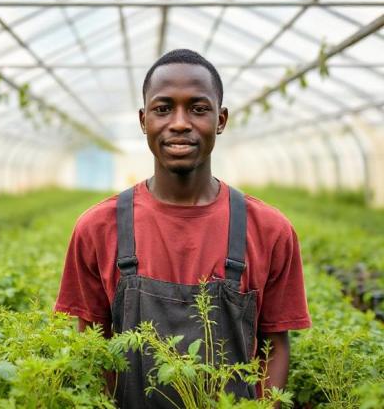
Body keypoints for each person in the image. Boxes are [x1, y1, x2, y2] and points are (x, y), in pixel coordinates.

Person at [54, 48, 311, 408]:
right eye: (163, 109)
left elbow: (275, 343)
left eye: (198, 108)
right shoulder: (98, 227)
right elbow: (92, 344)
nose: (179, 122)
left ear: (220, 120)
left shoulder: (269, 229)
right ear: (144, 120)